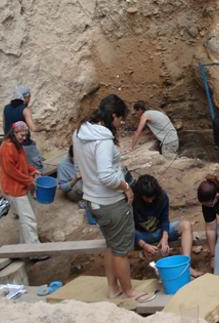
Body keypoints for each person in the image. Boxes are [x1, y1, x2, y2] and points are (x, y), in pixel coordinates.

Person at [73, 94, 155, 303]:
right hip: (110, 202)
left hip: (93, 200)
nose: (121, 123)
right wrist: (126, 187)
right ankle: (129, 292)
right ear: (112, 116)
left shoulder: (80, 132)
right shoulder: (102, 141)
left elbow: (82, 165)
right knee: (121, 251)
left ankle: (113, 288)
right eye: (120, 119)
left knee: (111, 244)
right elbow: (107, 176)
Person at [132, 174, 202, 277]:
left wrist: (165, 238)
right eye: (147, 198)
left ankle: (186, 266)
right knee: (122, 235)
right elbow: (129, 228)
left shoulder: (162, 196)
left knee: (186, 225)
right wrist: (143, 245)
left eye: (152, 197)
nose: (150, 201)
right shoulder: (132, 201)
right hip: (141, 235)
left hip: (159, 231)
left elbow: (165, 219)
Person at [0, 121, 47, 260]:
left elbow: (23, 163)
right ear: (14, 133)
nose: (24, 138)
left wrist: (32, 170)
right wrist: (29, 180)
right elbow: (11, 171)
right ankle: (35, 252)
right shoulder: (7, 147)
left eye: (25, 135)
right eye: (21, 135)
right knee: (29, 220)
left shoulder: (17, 145)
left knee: (25, 219)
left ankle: (22, 249)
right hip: (13, 188)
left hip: (21, 186)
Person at [3, 85, 44, 172]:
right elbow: (33, 128)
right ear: (25, 97)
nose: (29, 100)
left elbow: (5, 127)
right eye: (29, 97)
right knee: (38, 169)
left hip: (10, 145)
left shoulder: (6, 108)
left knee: (18, 169)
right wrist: (44, 128)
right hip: (24, 145)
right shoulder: (25, 110)